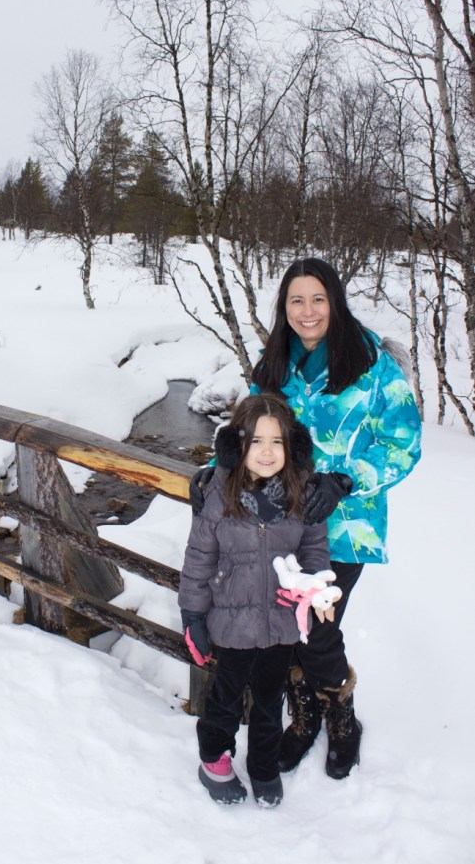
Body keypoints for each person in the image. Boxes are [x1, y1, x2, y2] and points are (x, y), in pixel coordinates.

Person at [190, 257, 422, 780]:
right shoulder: (272, 362)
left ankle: (341, 717)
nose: (307, 311)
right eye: (296, 300)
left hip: (346, 524)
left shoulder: (372, 364)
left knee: (317, 628)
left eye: (318, 298)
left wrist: (345, 479)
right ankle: (305, 714)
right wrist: (213, 468)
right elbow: (245, 433)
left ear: (334, 301)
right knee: (283, 625)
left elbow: (405, 443)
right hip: (276, 518)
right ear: (284, 307)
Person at [179, 393, 335, 807]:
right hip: (231, 624)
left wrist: (315, 585)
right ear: (237, 446)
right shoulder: (217, 493)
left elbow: (315, 549)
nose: (267, 452)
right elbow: (199, 557)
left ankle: (263, 765)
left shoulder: (303, 494)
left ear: (292, 446)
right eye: (255, 441)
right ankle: (214, 758)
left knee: (269, 701)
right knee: (226, 700)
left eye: (277, 442)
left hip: (282, 622)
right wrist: (192, 613)